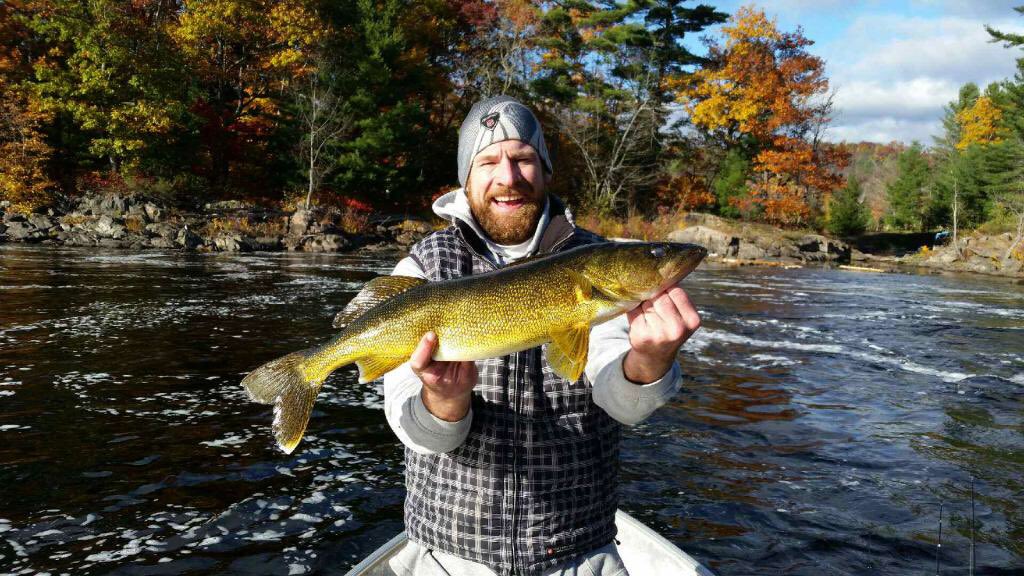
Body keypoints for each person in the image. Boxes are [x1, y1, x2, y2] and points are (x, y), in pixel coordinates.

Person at [382, 96, 701, 576]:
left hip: (578, 552)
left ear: (546, 170)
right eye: (487, 161)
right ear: (465, 179)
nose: (508, 177)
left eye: (523, 159)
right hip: (450, 556)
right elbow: (412, 430)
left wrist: (649, 365)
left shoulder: (595, 262)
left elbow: (624, 405)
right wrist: (443, 403)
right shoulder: (420, 271)